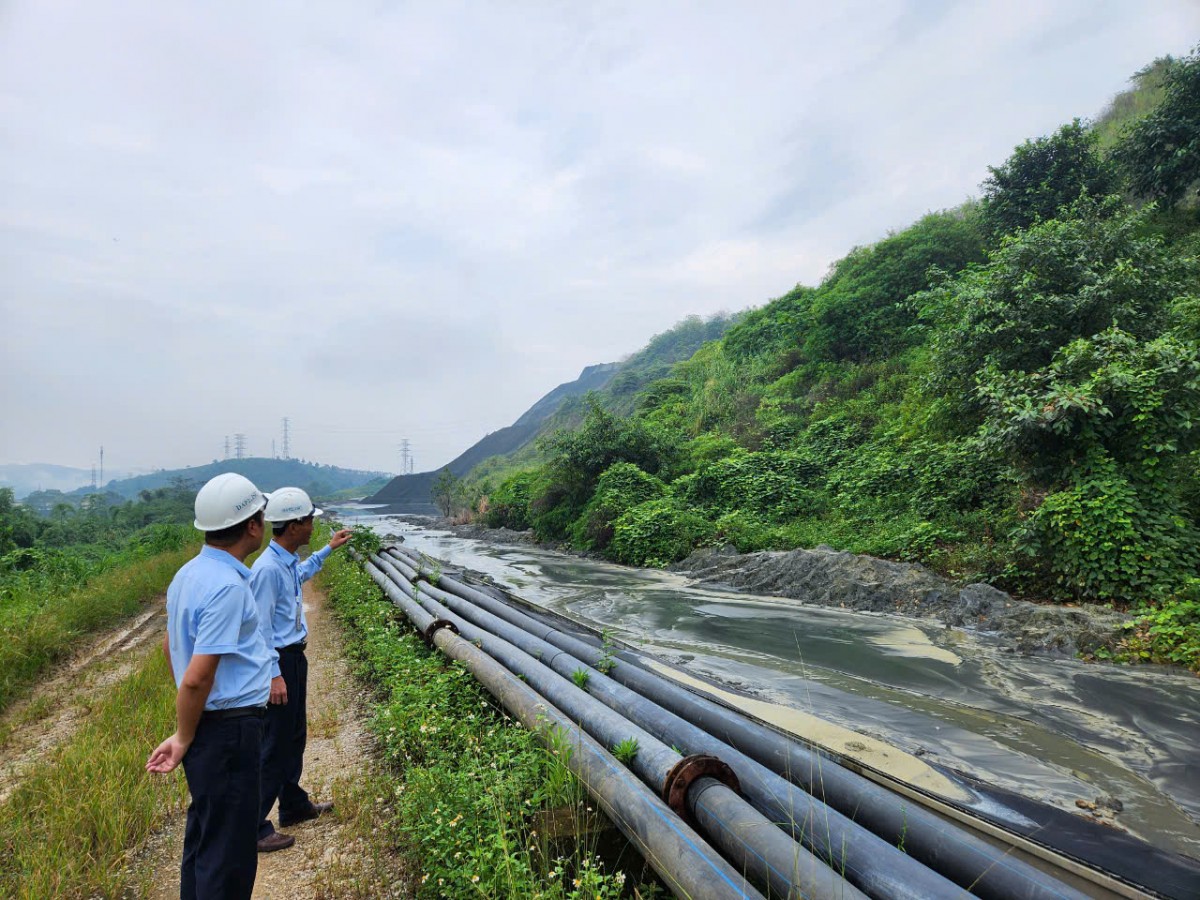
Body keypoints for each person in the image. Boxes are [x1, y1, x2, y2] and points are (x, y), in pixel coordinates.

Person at [146, 473, 273, 900]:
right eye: (261, 514)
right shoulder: (226, 587)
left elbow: (171, 645)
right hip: (230, 730)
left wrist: (190, 718)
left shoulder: (189, 574)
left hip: (212, 725)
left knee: (205, 836)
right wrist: (184, 734)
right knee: (230, 853)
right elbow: (199, 675)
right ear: (252, 526)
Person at [251, 486, 352, 852]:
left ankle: (293, 804)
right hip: (280, 661)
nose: (313, 526)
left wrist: (329, 549)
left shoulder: (286, 561)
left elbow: (303, 573)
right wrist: (274, 674)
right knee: (274, 743)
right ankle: (256, 825)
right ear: (294, 525)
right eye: (309, 521)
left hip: (295, 657)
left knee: (294, 735)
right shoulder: (265, 571)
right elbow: (260, 630)